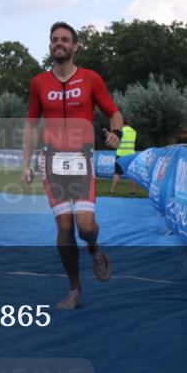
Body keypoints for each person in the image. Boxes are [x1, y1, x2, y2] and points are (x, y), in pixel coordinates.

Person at [23, 21, 123, 310]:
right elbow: (31, 126)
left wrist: (115, 132)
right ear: (50, 44)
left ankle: (93, 247)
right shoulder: (39, 82)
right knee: (64, 227)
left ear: (75, 46)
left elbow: (114, 113)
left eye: (65, 39)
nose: (59, 43)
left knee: (85, 226)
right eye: (55, 39)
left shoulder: (91, 78)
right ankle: (74, 289)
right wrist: (26, 163)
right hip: (52, 160)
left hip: (81, 159)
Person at [109, 118, 138, 195]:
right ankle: (133, 191)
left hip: (121, 155)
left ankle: (112, 191)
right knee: (132, 174)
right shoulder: (133, 131)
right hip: (131, 155)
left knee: (117, 173)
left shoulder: (120, 131)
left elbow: (114, 141)